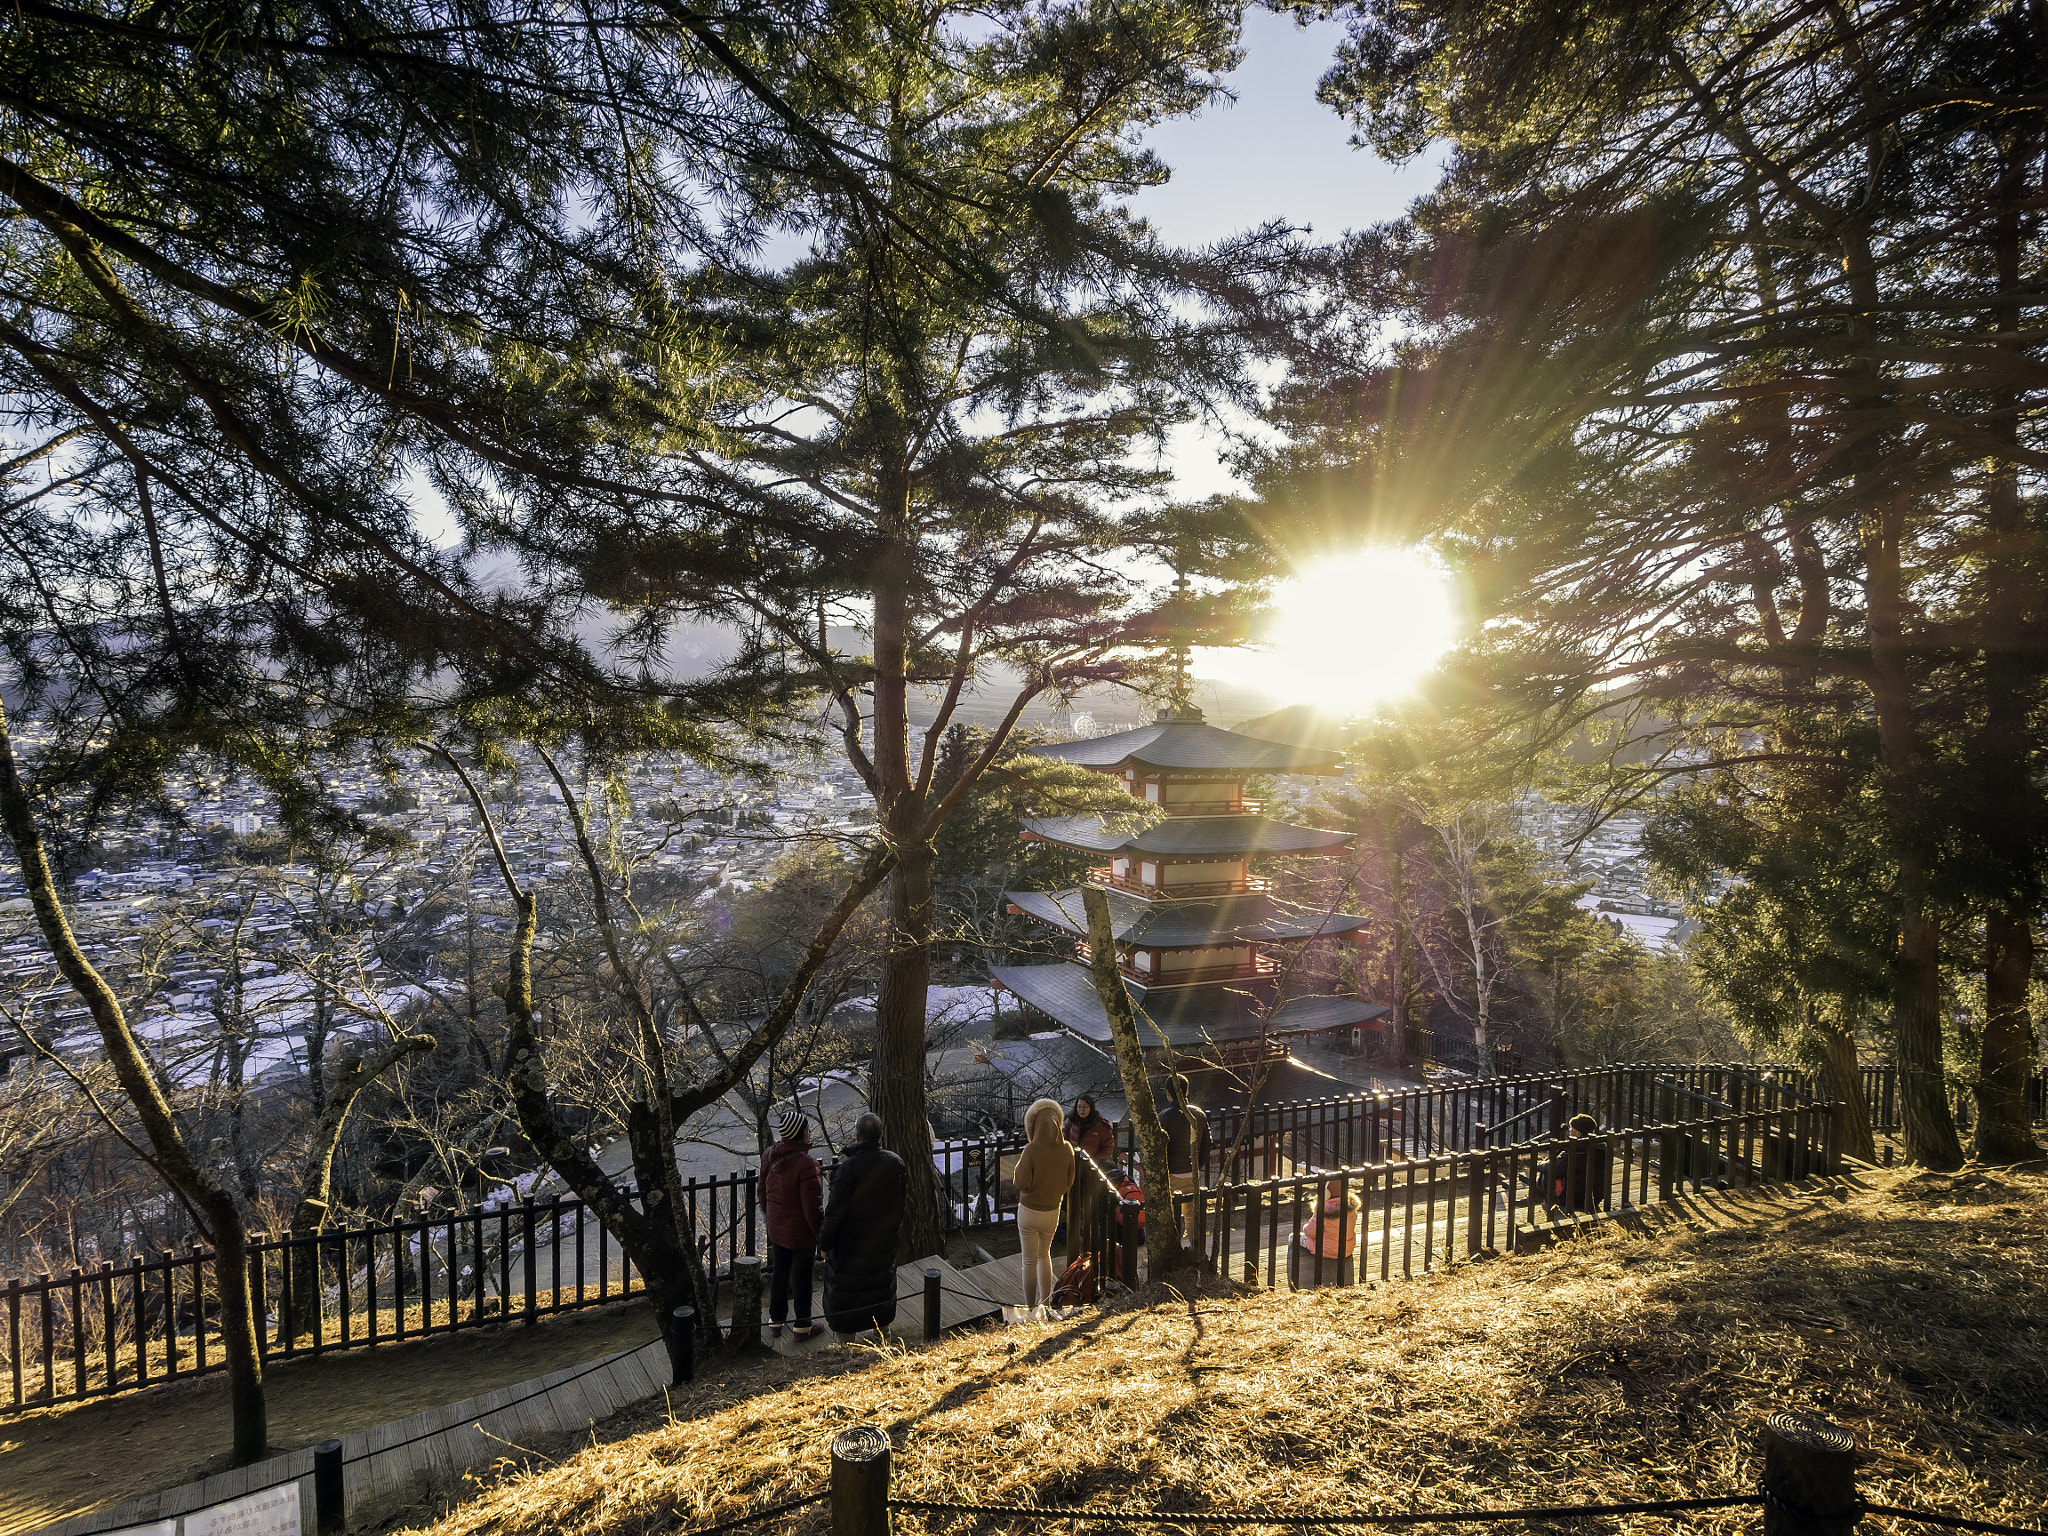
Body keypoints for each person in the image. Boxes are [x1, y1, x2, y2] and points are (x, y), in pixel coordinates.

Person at [818, 1112, 907, 1336]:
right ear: (881, 1135)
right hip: (883, 1240)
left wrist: (825, 1244)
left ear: (857, 1137)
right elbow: (901, 1203)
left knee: (849, 1292)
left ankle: (846, 1343)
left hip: (850, 1245)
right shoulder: (895, 1163)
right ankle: (883, 1331)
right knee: (879, 1285)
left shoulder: (847, 1170)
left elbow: (834, 1213)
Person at [758, 1105, 824, 1340]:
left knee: (780, 1272)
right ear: (800, 1133)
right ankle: (802, 1326)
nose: (809, 1132)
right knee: (802, 1276)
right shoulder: (806, 1164)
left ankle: (775, 1322)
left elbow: (762, 1192)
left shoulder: (769, 1154)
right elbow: (812, 1206)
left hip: (777, 1229)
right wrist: (820, 1236)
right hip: (800, 1232)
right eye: (807, 1129)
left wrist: (772, 1218)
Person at [1015, 1097, 1076, 1317]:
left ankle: (1030, 1308)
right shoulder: (1067, 1149)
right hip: (1053, 1211)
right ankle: (1046, 1303)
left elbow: (1019, 1183)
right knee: (1045, 1255)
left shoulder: (1031, 1150)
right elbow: (1070, 1182)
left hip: (1029, 1211)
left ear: (1033, 1125)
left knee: (1029, 1260)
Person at [1288, 1177, 1360, 1289]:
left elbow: (1311, 1232)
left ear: (1326, 1193)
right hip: (1346, 1250)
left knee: (1293, 1237)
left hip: (1323, 1249)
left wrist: (1305, 1228)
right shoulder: (1351, 1209)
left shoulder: (1323, 1210)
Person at [1543, 1113, 1612, 1214]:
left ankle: (1535, 1197)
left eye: (1572, 1128)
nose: (1569, 1130)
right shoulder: (1600, 1148)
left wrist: (1540, 1165)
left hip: (1574, 1198)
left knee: (1547, 1174)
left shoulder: (1577, 1150)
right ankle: (1536, 1196)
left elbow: (1555, 1169)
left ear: (1578, 1133)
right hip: (1595, 1197)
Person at [1063, 1094, 1116, 1166]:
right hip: (1073, 1165)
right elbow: (1064, 1141)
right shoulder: (1071, 1123)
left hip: (1092, 1167)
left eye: (1085, 1107)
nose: (1081, 1110)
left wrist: (1096, 1162)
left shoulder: (1100, 1125)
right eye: (1079, 1107)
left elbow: (1108, 1147)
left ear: (1091, 1108)